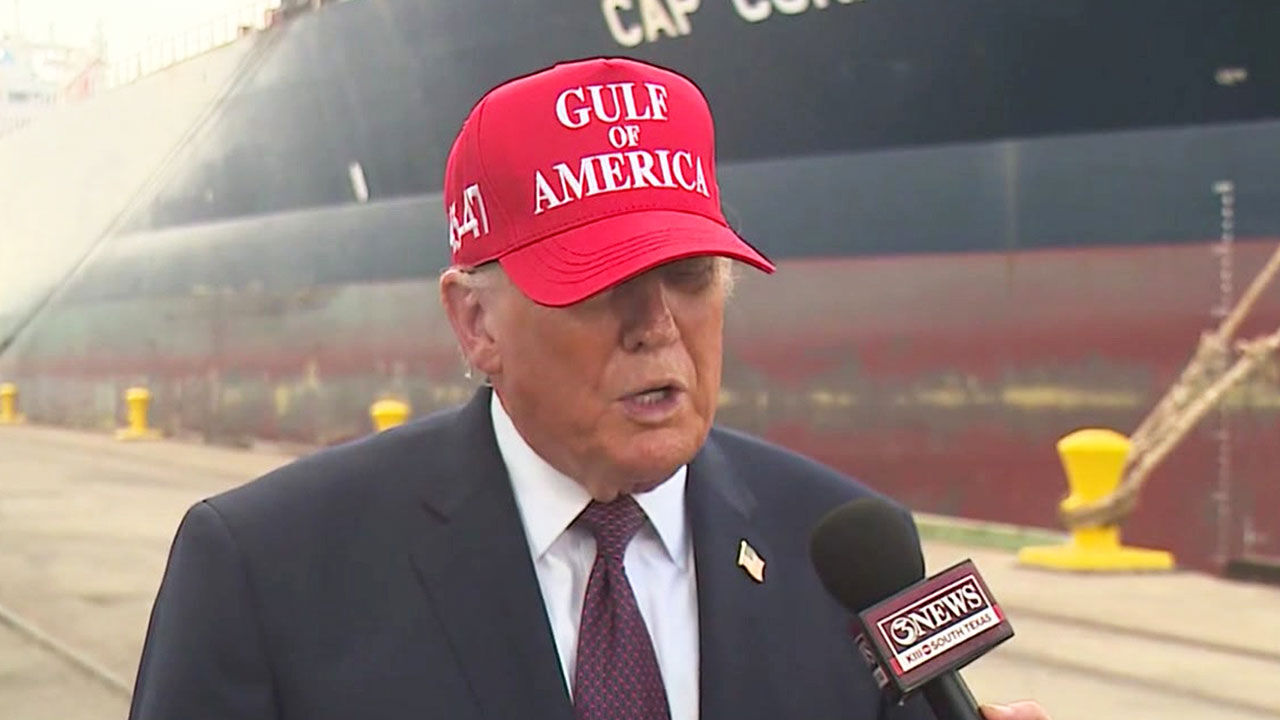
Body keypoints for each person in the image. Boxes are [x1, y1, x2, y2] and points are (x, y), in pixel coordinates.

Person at [128, 57, 1051, 720]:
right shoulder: (268, 570)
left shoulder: (843, 551)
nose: (658, 327)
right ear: (475, 323)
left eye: (690, 275)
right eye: (599, 284)